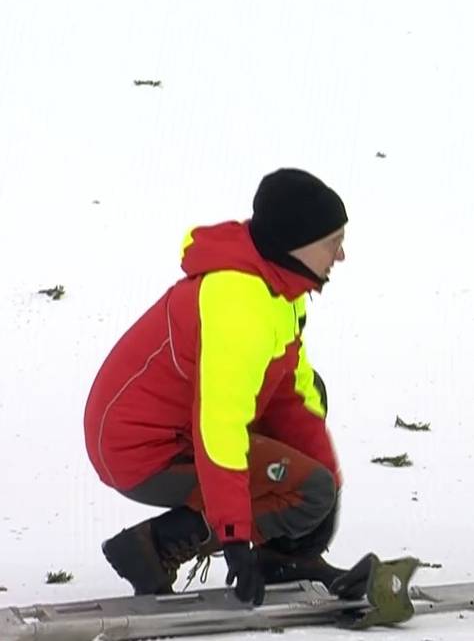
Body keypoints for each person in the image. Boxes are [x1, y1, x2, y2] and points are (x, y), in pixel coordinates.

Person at [84, 168, 355, 606]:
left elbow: (296, 396)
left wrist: (325, 504)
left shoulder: (278, 291)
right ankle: (155, 545)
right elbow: (220, 424)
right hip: (142, 449)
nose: (341, 255)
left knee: (314, 429)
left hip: (180, 428)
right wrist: (235, 536)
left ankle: (286, 556)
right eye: (333, 241)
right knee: (310, 488)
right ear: (297, 243)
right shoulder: (239, 304)